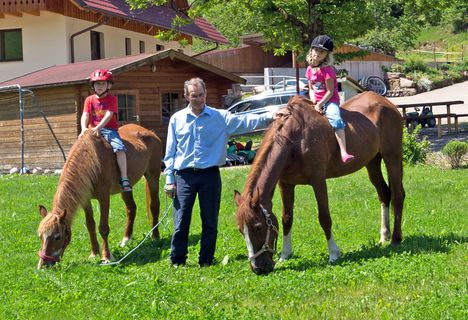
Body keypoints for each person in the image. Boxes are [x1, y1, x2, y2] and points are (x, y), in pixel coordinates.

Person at [163, 77, 285, 267]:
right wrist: (169, 180)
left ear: (206, 94)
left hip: (210, 175)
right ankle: (178, 260)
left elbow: (246, 121)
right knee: (181, 222)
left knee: (210, 221)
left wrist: (271, 115)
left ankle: (206, 260)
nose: (199, 99)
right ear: (187, 96)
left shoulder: (220, 117)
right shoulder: (177, 119)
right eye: (194, 96)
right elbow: (170, 152)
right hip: (184, 176)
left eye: (201, 94)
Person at [79, 69, 132, 192]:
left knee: (119, 148)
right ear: (93, 85)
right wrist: (83, 129)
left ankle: (124, 178)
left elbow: (109, 115)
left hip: (109, 129)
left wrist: (98, 128)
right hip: (92, 130)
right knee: (79, 150)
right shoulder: (89, 100)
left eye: (103, 83)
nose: (100, 86)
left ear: (109, 85)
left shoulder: (112, 99)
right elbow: (85, 115)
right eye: (97, 83)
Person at [305, 35, 355, 163]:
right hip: (316, 101)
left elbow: (330, 91)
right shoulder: (310, 69)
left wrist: (320, 104)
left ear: (326, 55)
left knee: (336, 119)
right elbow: (311, 88)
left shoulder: (327, 70)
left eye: (322, 52)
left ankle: (344, 152)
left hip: (329, 100)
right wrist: (314, 102)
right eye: (316, 50)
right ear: (311, 50)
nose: (317, 53)